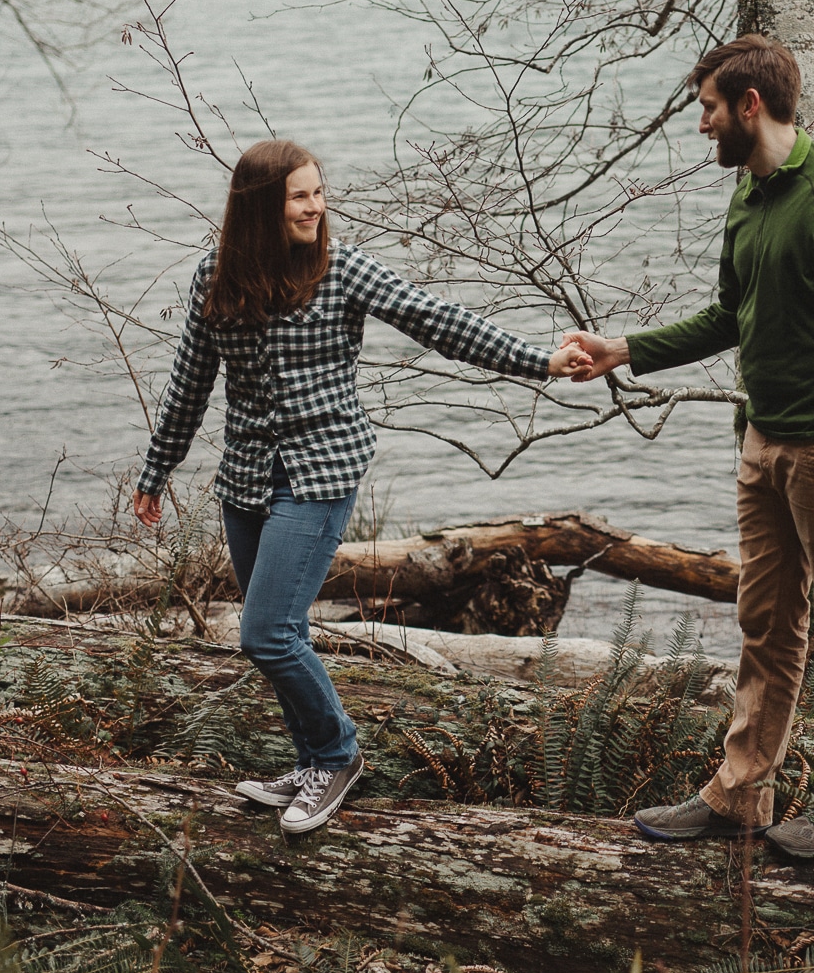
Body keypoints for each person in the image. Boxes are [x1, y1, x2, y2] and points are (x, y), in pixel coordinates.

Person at [134, 139, 587, 834]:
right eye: (300, 196)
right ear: (260, 207)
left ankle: (339, 754)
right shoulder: (215, 279)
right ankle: (313, 756)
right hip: (249, 479)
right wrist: (156, 471)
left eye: (319, 192)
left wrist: (541, 361)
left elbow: (439, 321)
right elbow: (189, 383)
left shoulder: (342, 271)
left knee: (267, 630)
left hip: (321, 472)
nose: (316, 206)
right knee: (275, 634)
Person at [565, 34, 814, 860]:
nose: (702, 126)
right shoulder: (749, 198)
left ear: (750, 105)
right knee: (767, 623)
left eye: (709, 110)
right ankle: (742, 794)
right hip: (765, 446)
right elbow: (729, 317)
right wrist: (625, 348)